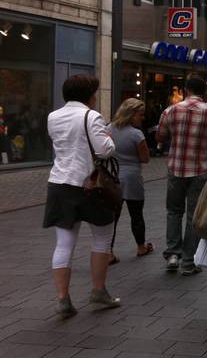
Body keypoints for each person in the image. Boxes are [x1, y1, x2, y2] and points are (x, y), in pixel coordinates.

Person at [44, 75, 120, 319]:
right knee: (101, 238)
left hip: (59, 183)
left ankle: (62, 299)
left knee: (64, 243)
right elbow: (105, 149)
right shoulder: (91, 116)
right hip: (89, 185)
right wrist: (108, 136)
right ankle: (99, 292)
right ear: (89, 95)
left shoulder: (52, 117)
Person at [157, 75, 207, 275]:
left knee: (173, 211)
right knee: (194, 216)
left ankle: (172, 255)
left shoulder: (170, 110)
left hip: (176, 168)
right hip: (201, 171)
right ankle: (188, 261)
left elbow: (160, 136)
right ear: (204, 92)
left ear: (186, 90)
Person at [107, 98, 152, 266]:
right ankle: (141, 247)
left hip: (113, 177)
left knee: (113, 217)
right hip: (132, 178)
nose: (143, 118)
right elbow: (145, 158)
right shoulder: (136, 134)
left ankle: (108, 252)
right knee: (136, 215)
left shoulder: (108, 128)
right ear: (131, 115)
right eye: (140, 114)